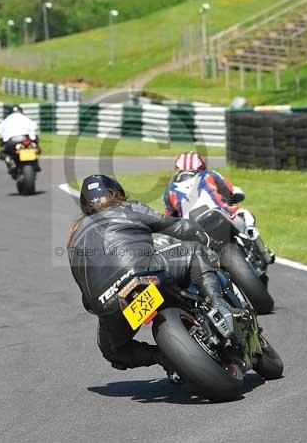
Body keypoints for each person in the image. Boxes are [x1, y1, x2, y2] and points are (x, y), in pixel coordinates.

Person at [68, 174, 233, 379]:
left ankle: (165, 357)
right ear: (116, 192)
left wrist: (105, 305)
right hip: (145, 274)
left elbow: (87, 298)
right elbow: (179, 227)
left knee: (114, 350)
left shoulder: (73, 240)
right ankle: (218, 305)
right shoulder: (127, 208)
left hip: (110, 301)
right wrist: (206, 239)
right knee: (196, 252)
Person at [163, 151, 273, 263]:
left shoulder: (169, 190)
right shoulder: (209, 174)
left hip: (193, 228)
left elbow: (170, 219)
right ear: (202, 166)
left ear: (177, 168)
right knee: (245, 214)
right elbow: (229, 191)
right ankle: (262, 250)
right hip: (219, 213)